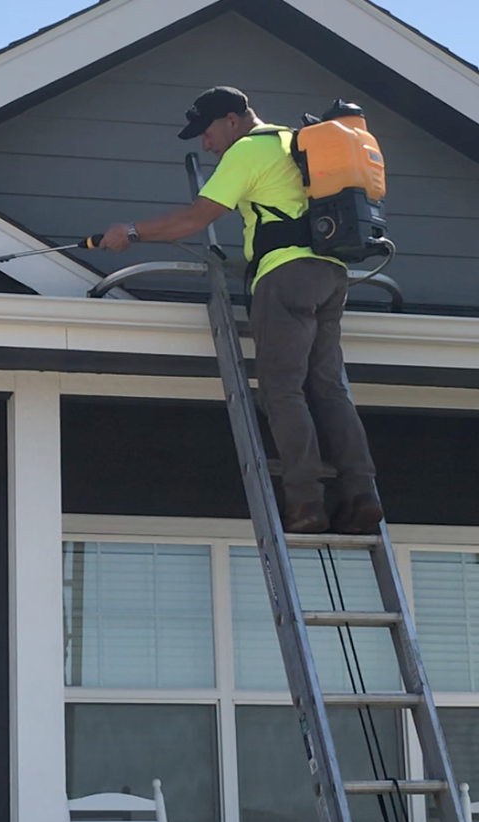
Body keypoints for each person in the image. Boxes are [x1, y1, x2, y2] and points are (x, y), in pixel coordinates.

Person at [98, 86, 383, 535]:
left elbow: (194, 219)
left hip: (285, 275)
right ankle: (362, 493)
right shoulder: (296, 142)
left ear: (233, 119)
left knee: (282, 390)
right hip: (330, 273)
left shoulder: (248, 151)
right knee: (328, 388)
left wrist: (128, 232)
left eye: (207, 132)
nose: (205, 143)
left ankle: (306, 502)